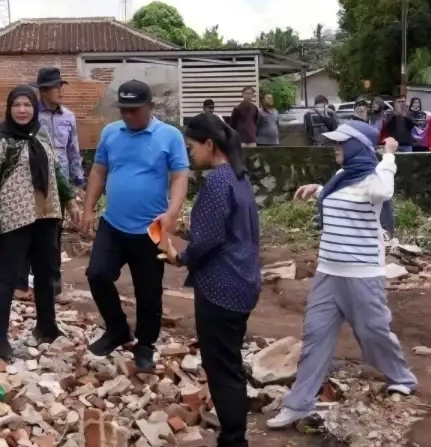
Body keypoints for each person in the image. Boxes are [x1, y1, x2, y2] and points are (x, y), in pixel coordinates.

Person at [267, 121, 416, 429]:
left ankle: (401, 378)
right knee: (315, 337)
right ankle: (298, 404)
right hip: (328, 273)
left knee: (373, 332)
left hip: (362, 275)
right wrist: (319, 190)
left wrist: (389, 155)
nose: (334, 147)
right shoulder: (341, 178)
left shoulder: (375, 180)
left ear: (357, 148)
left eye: (340, 143)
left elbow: (383, 189)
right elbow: (344, 195)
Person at [158, 113, 260, 447]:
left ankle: (234, 440)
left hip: (221, 287)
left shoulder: (217, 181)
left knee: (222, 368)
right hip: (243, 280)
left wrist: (179, 256)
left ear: (210, 145)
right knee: (230, 362)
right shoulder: (239, 176)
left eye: (191, 147)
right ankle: (235, 433)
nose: (189, 154)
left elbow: (208, 239)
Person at [79, 80, 190, 372]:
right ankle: (117, 330)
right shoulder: (110, 133)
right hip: (113, 224)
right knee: (97, 274)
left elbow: (179, 176)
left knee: (148, 292)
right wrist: (89, 208)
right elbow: (99, 170)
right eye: (124, 110)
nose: (128, 115)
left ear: (150, 107)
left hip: (151, 228)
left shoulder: (169, 136)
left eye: (134, 110)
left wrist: (172, 212)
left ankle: (145, 346)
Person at [0, 86, 82, 361]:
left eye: (27, 105)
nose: (22, 110)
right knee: (6, 276)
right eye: (16, 105)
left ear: (34, 108)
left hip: (47, 215)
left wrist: (71, 203)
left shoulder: (41, 133)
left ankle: (46, 326)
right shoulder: (1, 137)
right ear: (9, 108)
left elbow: (56, 171)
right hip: (15, 218)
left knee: (47, 274)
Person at [16, 68, 84, 302]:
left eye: (61, 85)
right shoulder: (32, 116)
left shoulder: (69, 117)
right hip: (33, 182)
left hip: (60, 186)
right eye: (56, 86)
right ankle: (21, 285)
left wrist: (78, 183)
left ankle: (53, 288)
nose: (60, 90)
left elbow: (74, 151)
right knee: (26, 230)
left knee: (53, 236)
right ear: (43, 91)